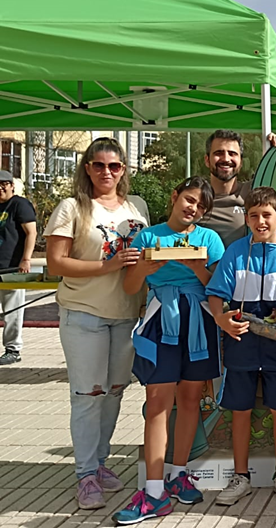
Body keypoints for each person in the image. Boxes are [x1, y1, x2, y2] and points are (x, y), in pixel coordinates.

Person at [45, 137, 150, 510]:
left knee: (114, 393)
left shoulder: (137, 206)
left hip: (126, 315)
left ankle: (100, 462)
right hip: (84, 313)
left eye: (115, 166)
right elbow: (55, 262)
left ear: (124, 169)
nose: (107, 172)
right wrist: (106, 266)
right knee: (87, 396)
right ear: (87, 167)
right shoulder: (72, 207)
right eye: (99, 165)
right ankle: (85, 474)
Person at [113, 177, 225, 524]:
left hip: (199, 322)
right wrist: (146, 267)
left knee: (191, 399)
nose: (193, 208)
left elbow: (218, 287)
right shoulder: (148, 236)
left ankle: (179, 474)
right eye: (189, 200)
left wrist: (198, 268)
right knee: (159, 402)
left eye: (201, 206)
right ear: (175, 197)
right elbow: (131, 286)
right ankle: (153, 491)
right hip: (162, 318)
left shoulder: (209, 239)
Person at [208, 187, 276, 506]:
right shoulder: (235, 252)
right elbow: (216, 294)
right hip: (241, 342)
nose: (260, 221)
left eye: (266, 215)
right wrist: (221, 319)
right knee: (240, 411)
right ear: (246, 218)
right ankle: (240, 476)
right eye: (253, 215)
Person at [198, 130, 276, 247]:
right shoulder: (197, 200)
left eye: (232, 153)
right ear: (207, 160)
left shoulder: (255, 191)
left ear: (241, 162)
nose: (226, 158)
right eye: (219, 153)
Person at [0, 170, 37, 366]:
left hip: (11, 267)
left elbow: (31, 232)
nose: (0, 187)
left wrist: (26, 259)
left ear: (12, 185)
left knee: (12, 311)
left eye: (4, 183)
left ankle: (13, 349)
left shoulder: (19, 205)